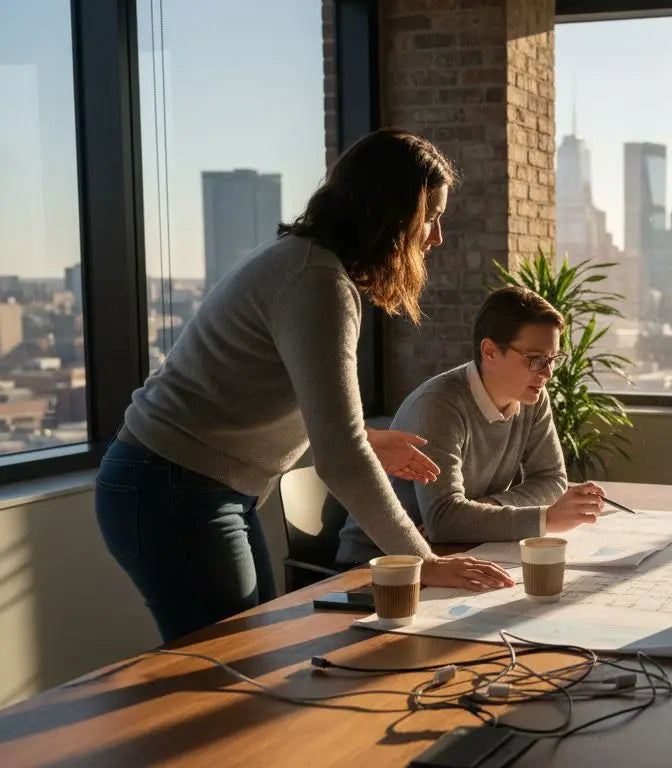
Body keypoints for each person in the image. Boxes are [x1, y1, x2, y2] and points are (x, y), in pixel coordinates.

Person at [95, 129, 513, 644]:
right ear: (391, 213)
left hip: (194, 486)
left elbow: (296, 403)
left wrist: (365, 439)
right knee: (228, 668)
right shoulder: (316, 283)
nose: (436, 236)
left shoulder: (309, 264)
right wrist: (423, 562)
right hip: (170, 487)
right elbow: (340, 457)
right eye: (430, 216)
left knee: (242, 660)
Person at [336, 286, 605, 565]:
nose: (547, 374)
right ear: (489, 351)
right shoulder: (439, 405)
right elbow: (443, 520)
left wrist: (486, 507)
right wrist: (545, 518)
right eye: (536, 359)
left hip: (462, 551)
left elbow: (551, 481)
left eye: (552, 360)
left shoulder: (532, 396)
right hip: (379, 564)